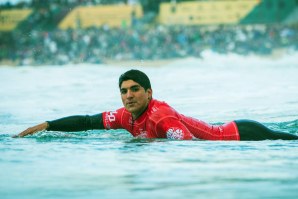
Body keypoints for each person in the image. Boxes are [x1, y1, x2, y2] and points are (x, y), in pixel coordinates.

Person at [13, 69, 298, 140]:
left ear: (149, 93)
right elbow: (87, 121)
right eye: (124, 91)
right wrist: (48, 125)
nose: (128, 96)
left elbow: (190, 149)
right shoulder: (125, 116)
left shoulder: (161, 117)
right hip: (234, 130)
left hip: (243, 136)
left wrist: (153, 143)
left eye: (135, 90)